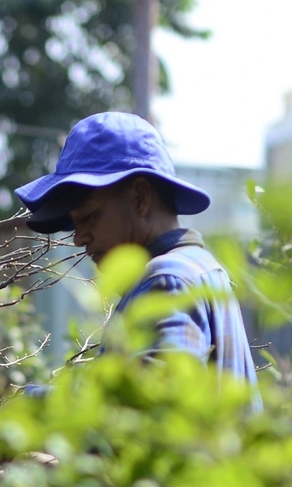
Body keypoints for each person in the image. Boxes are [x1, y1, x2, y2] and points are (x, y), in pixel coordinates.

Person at [15, 111, 256, 384]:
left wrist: (40, 407)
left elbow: (154, 407)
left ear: (140, 197)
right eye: (74, 224)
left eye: (90, 217)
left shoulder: (167, 279)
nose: (78, 239)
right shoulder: (200, 268)